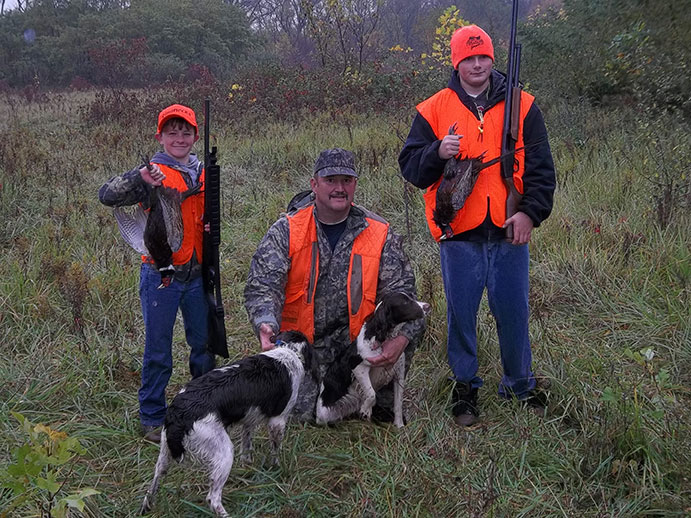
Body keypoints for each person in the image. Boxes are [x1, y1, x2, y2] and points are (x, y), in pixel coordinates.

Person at [398, 25, 556, 427]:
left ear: (492, 58)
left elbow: (541, 171)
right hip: (459, 234)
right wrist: (437, 150)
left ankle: (519, 383)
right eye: (468, 58)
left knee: (514, 312)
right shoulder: (433, 109)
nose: (477, 65)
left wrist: (529, 213)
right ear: (456, 62)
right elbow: (411, 168)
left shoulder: (523, 105)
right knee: (461, 315)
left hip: (509, 231)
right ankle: (465, 386)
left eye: (482, 56)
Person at [244, 148, 426, 422]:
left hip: (358, 349)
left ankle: (380, 399)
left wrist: (400, 340)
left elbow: (405, 296)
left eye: (346, 180)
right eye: (330, 180)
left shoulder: (379, 233)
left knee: (409, 326)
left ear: (354, 185)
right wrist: (265, 322)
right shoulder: (287, 230)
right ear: (314, 185)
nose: (339, 188)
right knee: (305, 416)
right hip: (303, 350)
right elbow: (262, 286)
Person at [99, 104, 215, 442]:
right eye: (171, 132)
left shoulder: (203, 172)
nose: (179, 138)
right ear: (160, 136)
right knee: (158, 349)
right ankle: (152, 417)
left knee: (203, 345)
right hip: (160, 275)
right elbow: (106, 195)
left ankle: (202, 408)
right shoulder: (153, 173)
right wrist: (139, 178)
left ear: (195, 135)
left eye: (186, 131)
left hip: (196, 274)